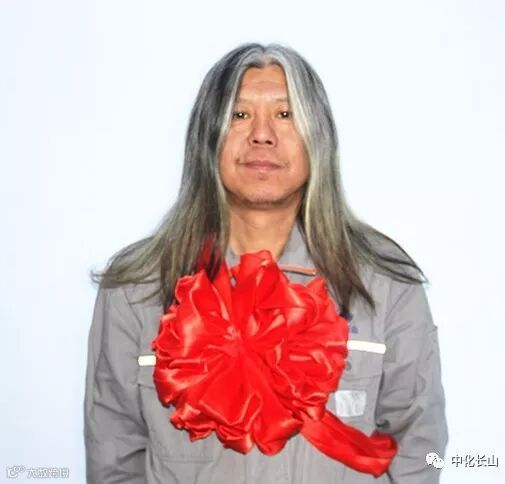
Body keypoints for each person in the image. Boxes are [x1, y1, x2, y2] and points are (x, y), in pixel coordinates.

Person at [84, 43, 448, 483]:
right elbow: (114, 459)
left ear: (317, 137)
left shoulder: (385, 283)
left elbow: (420, 448)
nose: (262, 134)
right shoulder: (135, 288)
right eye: (239, 115)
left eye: (285, 114)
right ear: (207, 137)